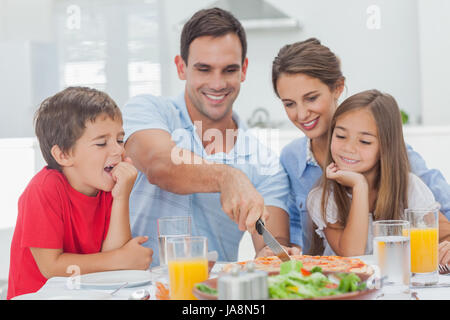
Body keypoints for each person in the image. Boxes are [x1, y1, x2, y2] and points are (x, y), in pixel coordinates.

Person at [122, 8, 299, 266]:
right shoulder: (148, 111)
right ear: (181, 67)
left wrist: (272, 255)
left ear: (244, 70)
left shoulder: (266, 164)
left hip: (209, 295)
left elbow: (274, 242)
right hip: (134, 289)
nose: (217, 84)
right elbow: (159, 165)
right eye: (204, 69)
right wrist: (226, 177)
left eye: (229, 70)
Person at [272, 38, 450, 259]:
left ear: (337, 88)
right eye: (289, 103)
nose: (301, 114)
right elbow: (291, 233)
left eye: (311, 98)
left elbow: (439, 220)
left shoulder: (401, 164)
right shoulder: (292, 159)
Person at [7, 87, 153, 300]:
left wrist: (122, 197)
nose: (118, 151)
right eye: (102, 143)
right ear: (64, 155)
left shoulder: (108, 187)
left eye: (120, 140)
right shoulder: (44, 189)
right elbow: (52, 267)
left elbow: (117, 261)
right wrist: (119, 259)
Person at [306, 89, 444, 256]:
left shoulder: (410, 187)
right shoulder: (323, 197)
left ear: (386, 147)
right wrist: (360, 186)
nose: (348, 148)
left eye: (365, 141)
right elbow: (352, 255)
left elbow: (443, 235)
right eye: (341, 136)